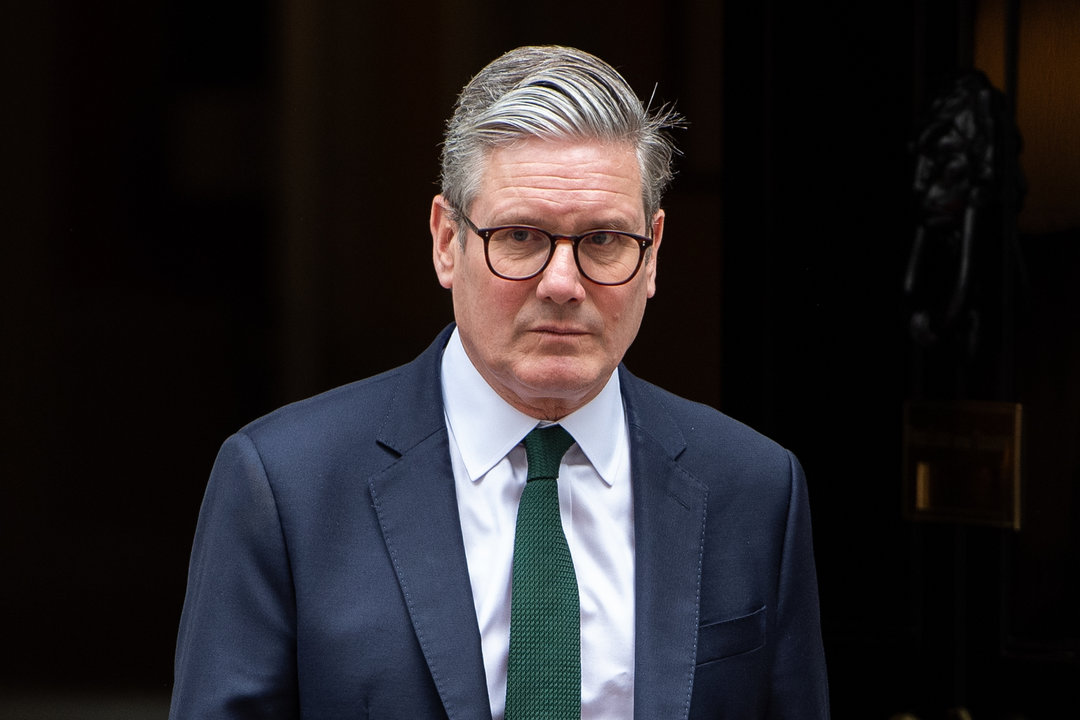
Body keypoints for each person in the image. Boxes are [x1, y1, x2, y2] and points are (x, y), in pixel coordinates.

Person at [169, 45, 829, 719]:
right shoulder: (287, 486)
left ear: (652, 252)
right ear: (445, 241)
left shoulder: (753, 488)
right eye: (521, 236)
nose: (564, 284)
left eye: (603, 240)